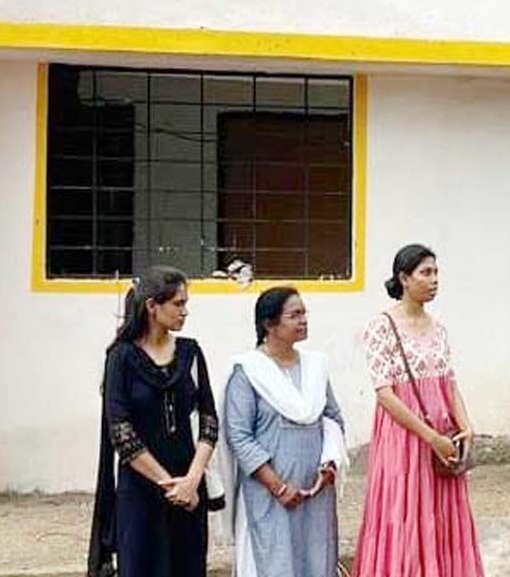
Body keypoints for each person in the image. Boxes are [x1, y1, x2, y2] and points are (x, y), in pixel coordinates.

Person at [353, 244, 484, 577]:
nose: (434, 279)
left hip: (443, 436)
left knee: (442, 516)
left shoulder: (438, 327)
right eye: (426, 272)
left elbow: (449, 383)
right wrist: (431, 438)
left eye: (436, 272)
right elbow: (385, 394)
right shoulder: (381, 327)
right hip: (404, 439)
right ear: (404, 278)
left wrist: (466, 427)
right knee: (405, 512)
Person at [87, 266, 218, 577]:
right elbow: (122, 433)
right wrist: (170, 485)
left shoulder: (190, 353)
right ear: (151, 306)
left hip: (189, 487)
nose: (185, 311)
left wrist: (191, 480)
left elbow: (209, 420)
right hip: (141, 490)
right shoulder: (121, 358)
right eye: (178, 303)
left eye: (186, 303)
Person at [221, 286, 347, 577]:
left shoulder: (316, 367)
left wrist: (329, 466)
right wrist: (277, 486)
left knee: (317, 561)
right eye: (294, 315)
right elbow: (239, 435)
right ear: (269, 324)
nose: (304, 320)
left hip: (315, 493)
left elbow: (332, 419)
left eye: (304, 313)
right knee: (273, 561)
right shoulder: (248, 371)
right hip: (269, 493)